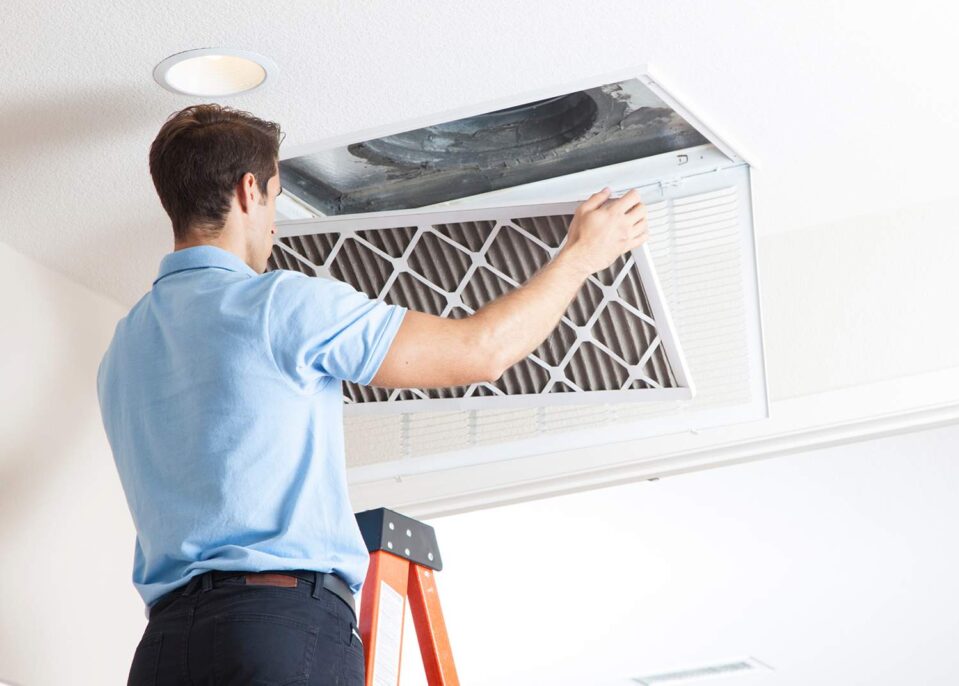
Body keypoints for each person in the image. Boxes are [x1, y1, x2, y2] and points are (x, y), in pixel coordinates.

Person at [97, 104, 648, 685]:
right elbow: (479, 352)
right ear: (248, 190)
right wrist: (582, 254)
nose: (276, 226)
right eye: (277, 200)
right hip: (274, 628)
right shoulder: (280, 303)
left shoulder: (122, 350)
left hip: (162, 652)